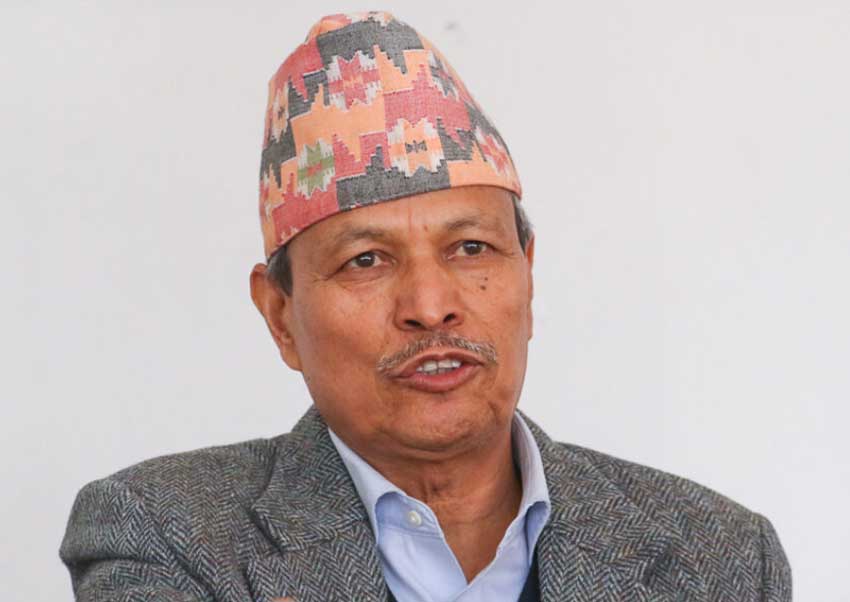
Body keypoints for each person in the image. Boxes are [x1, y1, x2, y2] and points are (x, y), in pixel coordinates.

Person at [59, 11, 791, 602]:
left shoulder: (720, 556)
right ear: (280, 315)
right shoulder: (163, 535)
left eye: (471, 248)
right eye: (366, 261)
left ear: (527, 273)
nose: (431, 307)